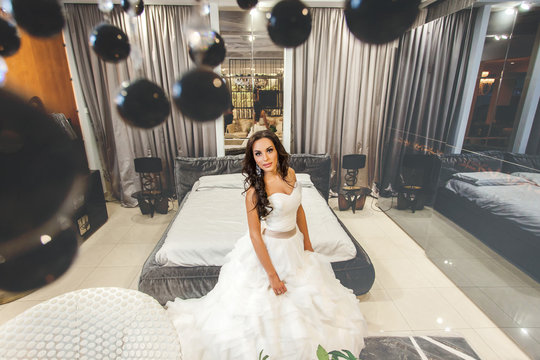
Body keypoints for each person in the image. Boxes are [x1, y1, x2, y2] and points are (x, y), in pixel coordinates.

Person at [166, 130, 367, 359]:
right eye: (258, 154)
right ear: (254, 159)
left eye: (269, 150)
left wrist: (308, 243)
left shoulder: (290, 173)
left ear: (277, 150)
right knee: (268, 307)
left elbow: (298, 208)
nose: (265, 158)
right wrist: (272, 275)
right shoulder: (254, 192)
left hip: (295, 246)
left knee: (312, 298)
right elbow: (254, 236)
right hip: (272, 249)